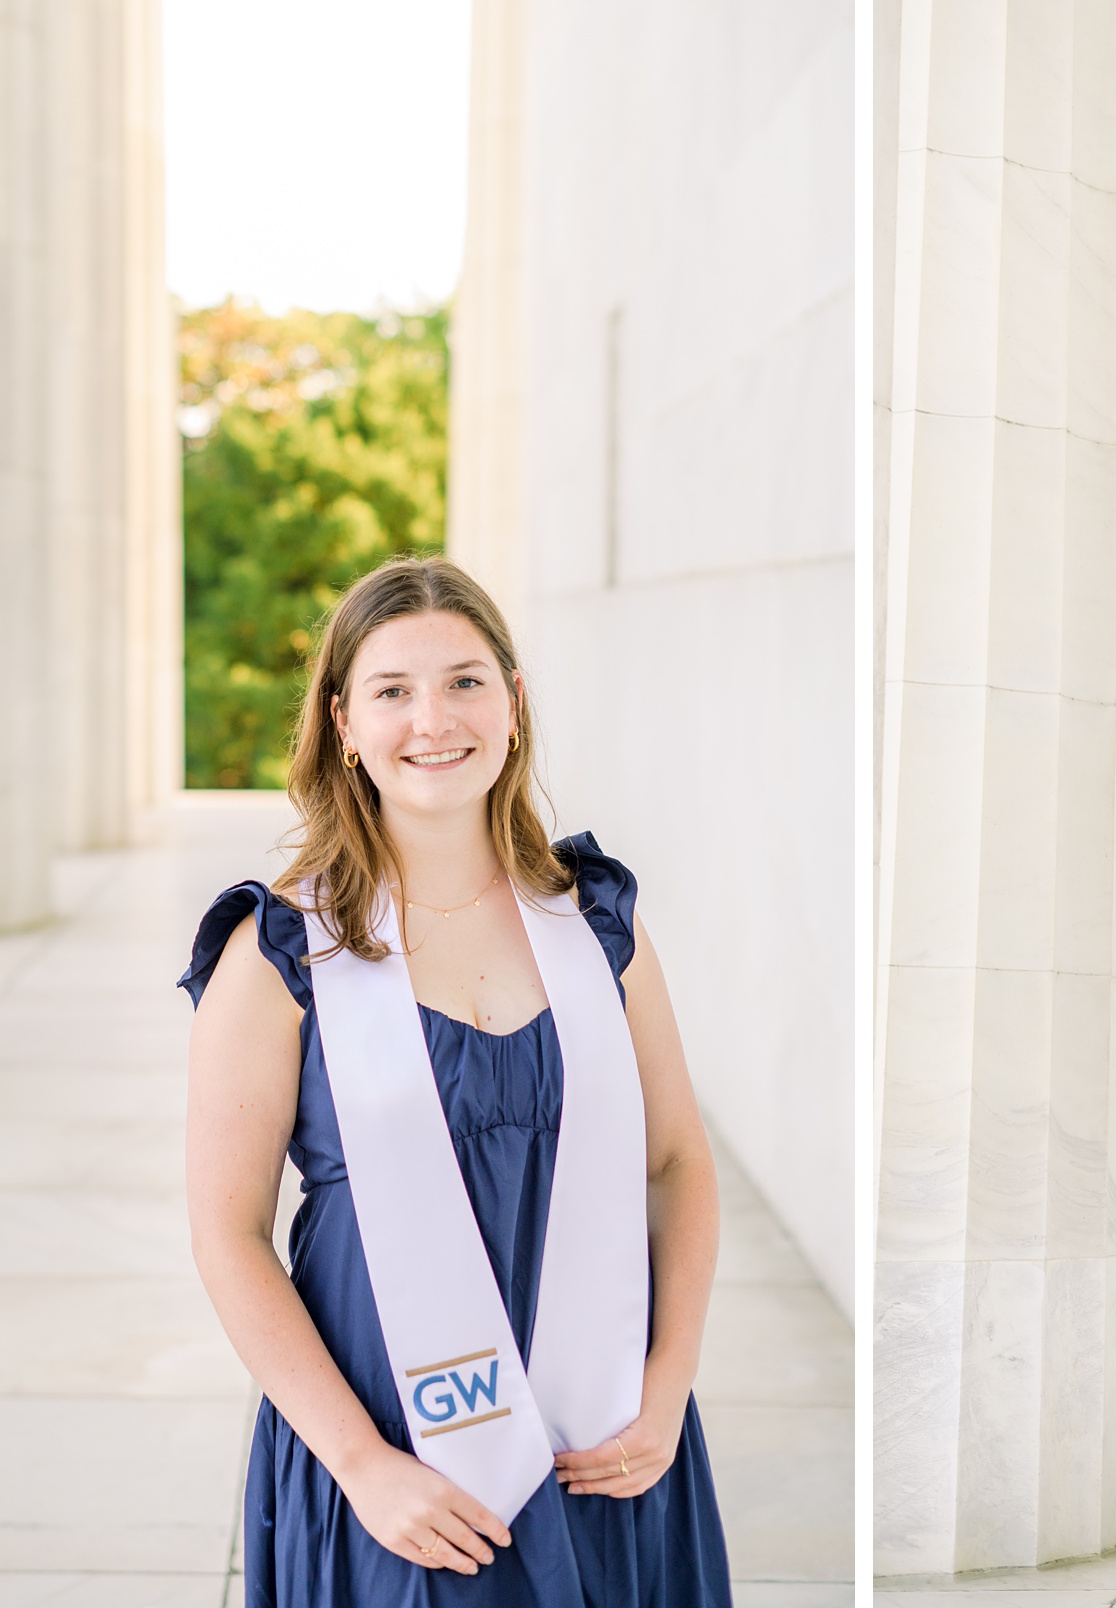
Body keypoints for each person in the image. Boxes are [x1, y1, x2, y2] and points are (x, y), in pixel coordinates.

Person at [179, 555, 732, 1604]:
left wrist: (668, 1389)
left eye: (466, 681)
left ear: (514, 706)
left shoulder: (597, 925)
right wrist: (362, 1465)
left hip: (608, 1439)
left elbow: (675, 1161)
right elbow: (228, 1232)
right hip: (398, 1452)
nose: (433, 719)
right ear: (344, 723)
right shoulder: (280, 954)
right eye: (392, 691)